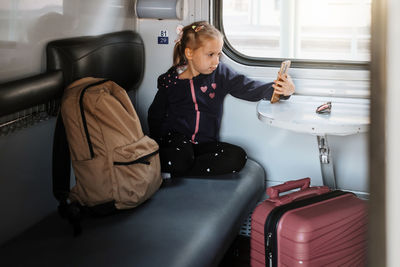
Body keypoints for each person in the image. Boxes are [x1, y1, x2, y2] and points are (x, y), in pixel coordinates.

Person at [148, 21, 295, 178]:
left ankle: (177, 169)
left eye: (218, 54)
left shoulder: (221, 74)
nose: (216, 61)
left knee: (238, 157)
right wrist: (158, 141)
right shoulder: (171, 81)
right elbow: (155, 114)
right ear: (190, 53)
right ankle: (176, 164)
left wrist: (281, 90)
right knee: (180, 157)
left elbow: (249, 88)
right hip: (176, 142)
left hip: (204, 145)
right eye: (210, 55)